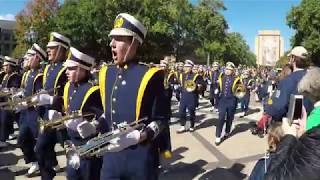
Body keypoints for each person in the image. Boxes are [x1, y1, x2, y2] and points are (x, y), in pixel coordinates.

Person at [87, 13, 169, 180]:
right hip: (111, 158)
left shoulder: (150, 76)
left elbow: (161, 120)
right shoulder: (106, 73)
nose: (112, 44)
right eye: (112, 38)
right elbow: (107, 112)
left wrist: (141, 135)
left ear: (133, 42)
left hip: (140, 160)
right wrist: (95, 124)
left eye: (118, 38)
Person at [31, 32, 71, 180]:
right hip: (48, 119)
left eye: (52, 47)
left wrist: (51, 101)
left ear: (61, 49)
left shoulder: (67, 68)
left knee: (73, 153)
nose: (48, 50)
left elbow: (71, 95)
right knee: (40, 149)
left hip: (63, 119)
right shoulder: (48, 68)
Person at [16, 43, 46, 175]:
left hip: (34, 114)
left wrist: (26, 102)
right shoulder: (28, 74)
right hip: (25, 114)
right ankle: (36, 161)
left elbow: (38, 97)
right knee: (22, 140)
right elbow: (25, 90)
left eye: (30, 56)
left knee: (37, 141)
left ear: (37, 58)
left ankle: (41, 163)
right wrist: (19, 96)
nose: (26, 59)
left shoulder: (39, 75)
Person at [215, 62, 242, 145]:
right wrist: (217, 90)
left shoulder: (236, 79)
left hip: (232, 101)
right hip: (222, 100)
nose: (227, 71)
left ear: (233, 70)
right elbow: (218, 86)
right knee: (221, 117)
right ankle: (218, 136)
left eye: (230, 69)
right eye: (227, 69)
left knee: (230, 118)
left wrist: (239, 94)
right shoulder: (221, 77)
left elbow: (240, 90)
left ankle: (227, 131)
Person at [176, 59, 203, 133]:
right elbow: (180, 84)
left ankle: (192, 125)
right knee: (181, 111)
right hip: (184, 96)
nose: (186, 68)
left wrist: (198, 86)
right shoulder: (182, 75)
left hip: (192, 96)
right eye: (185, 66)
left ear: (191, 67)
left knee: (191, 111)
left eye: (188, 67)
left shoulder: (196, 76)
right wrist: (178, 88)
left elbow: (201, 86)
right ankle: (182, 126)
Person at [0, 56, 21, 148]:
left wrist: (3, 90)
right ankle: (6, 135)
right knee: (5, 120)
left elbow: (14, 89)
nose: (3, 67)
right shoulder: (5, 75)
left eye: (5, 65)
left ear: (9, 66)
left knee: (4, 120)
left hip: (10, 103)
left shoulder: (15, 76)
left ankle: (2, 139)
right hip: (4, 102)